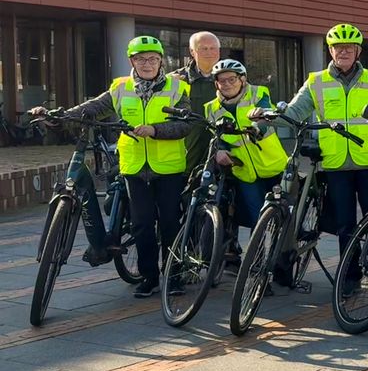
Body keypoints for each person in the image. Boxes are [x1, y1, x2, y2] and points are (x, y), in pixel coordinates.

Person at [32, 36, 191, 298]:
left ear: (161, 61)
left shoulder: (178, 87)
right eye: (141, 59)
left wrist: (155, 130)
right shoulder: (120, 87)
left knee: (169, 224)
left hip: (169, 168)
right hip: (134, 168)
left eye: (153, 58)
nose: (147, 64)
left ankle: (174, 276)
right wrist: (58, 116)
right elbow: (92, 108)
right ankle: (149, 277)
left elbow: (185, 125)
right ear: (132, 61)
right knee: (142, 225)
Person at [252, 23, 368, 289]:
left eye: (348, 47)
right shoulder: (316, 81)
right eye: (338, 47)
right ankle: (349, 276)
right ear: (330, 50)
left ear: (358, 51)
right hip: (335, 163)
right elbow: (294, 113)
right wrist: (266, 118)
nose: (343, 52)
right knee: (345, 225)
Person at [203, 59, 291, 286]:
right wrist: (220, 151)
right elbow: (217, 137)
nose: (227, 84)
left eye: (232, 79)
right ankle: (257, 271)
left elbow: (265, 117)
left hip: (273, 167)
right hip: (245, 173)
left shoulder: (258, 94)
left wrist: (258, 126)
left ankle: (283, 269)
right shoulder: (211, 108)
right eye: (221, 80)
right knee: (257, 221)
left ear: (242, 80)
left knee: (284, 221)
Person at [172, 31, 223, 176]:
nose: (209, 52)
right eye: (203, 48)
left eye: (213, 48)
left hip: (224, 154)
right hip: (187, 156)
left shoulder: (231, 79)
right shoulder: (176, 81)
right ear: (192, 51)